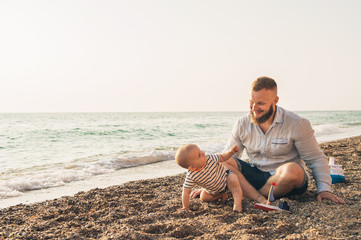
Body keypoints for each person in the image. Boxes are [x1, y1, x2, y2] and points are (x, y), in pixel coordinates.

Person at [191, 76, 345, 204]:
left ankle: (244, 192)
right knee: (222, 161)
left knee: (293, 170)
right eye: (251, 102)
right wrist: (211, 183)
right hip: (254, 175)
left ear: (275, 100)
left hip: (285, 179)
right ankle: (254, 194)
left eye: (260, 103)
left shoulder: (297, 123)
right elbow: (228, 157)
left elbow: (316, 159)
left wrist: (324, 189)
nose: (254, 108)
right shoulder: (242, 123)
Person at [176, 144, 245, 211]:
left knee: (234, 181)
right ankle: (222, 194)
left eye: (201, 151)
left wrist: (230, 152)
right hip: (213, 190)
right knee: (203, 197)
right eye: (199, 155)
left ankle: (237, 205)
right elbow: (186, 192)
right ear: (192, 167)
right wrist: (185, 207)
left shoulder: (209, 158)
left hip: (225, 177)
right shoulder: (191, 176)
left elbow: (222, 157)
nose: (203, 153)